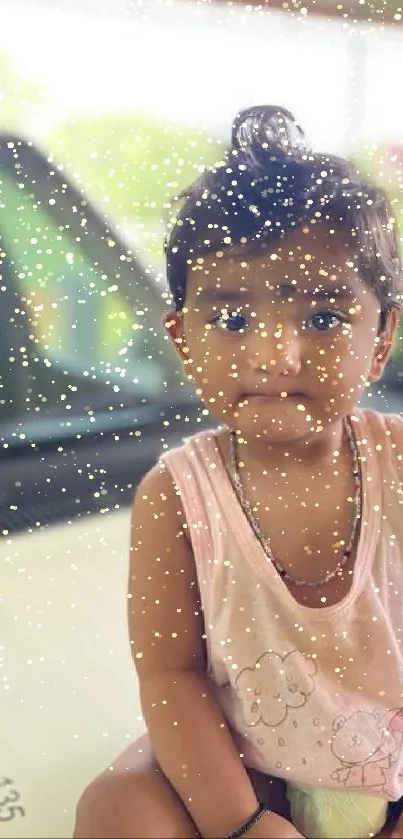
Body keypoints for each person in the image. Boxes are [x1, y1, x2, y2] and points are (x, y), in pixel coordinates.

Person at [73, 105, 403, 839]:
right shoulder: (176, 494)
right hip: (245, 764)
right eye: (230, 318)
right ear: (181, 341)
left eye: (322, 319)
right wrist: (243, 821)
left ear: (379, 340)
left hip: (391, 762)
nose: (274, 355)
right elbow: (171, 674)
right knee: (114, 809)